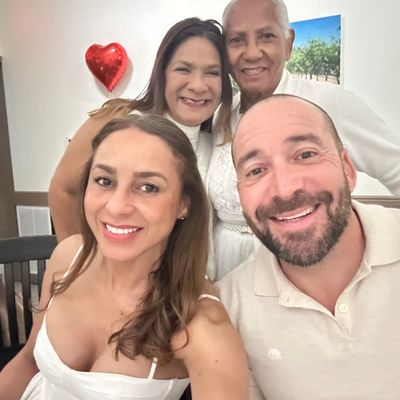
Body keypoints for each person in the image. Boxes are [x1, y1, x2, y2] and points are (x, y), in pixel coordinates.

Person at [0, 114, 249, 400]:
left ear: (184, 203)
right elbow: (28, 363)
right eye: (104, 180)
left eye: (148, 187)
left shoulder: (203, 328)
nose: (117, 207)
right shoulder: (67, 258)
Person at [219, 94, 400, 399]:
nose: (285, 188)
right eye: (256, 170)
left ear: (348, 169)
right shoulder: (230, 308)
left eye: (305, 155)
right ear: (240, 196)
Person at [206, 0, 400, 279]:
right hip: (225, 271)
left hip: (308, 273)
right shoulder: (220, 116)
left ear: (289, 43)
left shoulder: (329, 102)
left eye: (266, 36)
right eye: (237, 40)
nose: (252, 52)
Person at [49, 17, 232, 242]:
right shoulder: (118, 121)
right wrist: (79, 257)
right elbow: (64, 191)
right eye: (183, 69)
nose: (197, 85)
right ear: (162, 73)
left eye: (212, 72)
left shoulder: (214, 144)